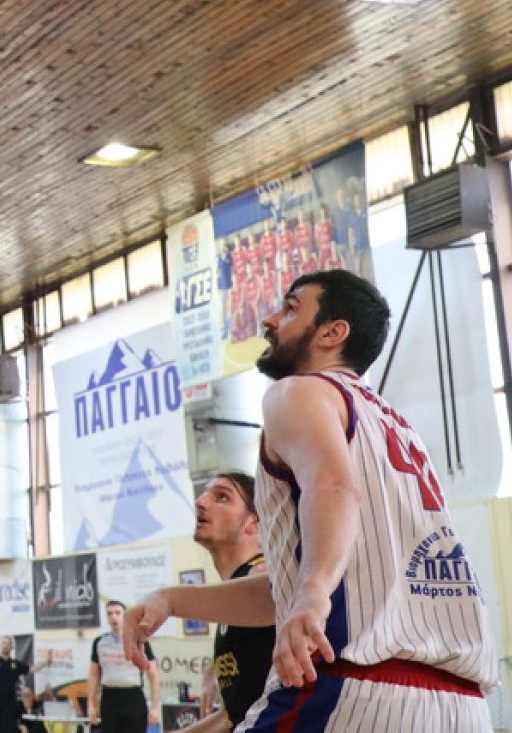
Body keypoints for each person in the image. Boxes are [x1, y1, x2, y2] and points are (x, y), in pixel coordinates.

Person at [123, 270, 499, 730]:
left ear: (332, 332)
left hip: (354, 688)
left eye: (290, 308)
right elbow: (295, 585)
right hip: (462, 705)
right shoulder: (398, 428)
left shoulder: (297, 392)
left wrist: (313, 594)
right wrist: (172, 598)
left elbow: (333, 487)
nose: (269, 320)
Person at [171, 472, 272, 733]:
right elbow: (234, 716)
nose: (200, 501)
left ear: (254, 523)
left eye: (222, 497)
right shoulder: (235, 601)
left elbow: (268, 591)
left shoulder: (262, 573)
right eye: (205, 494)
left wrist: (168, 600)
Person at [89, 601, 157, 732]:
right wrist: (91, 705)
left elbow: (153, 675)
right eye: (109, 614)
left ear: (125, 616)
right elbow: (93, 675)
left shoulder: (139, 640)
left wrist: (154, 707)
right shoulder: (99, 642)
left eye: (117, 613)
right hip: (109, 698)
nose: (113, 617)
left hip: (133, 697)